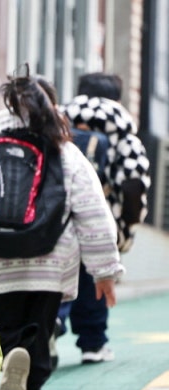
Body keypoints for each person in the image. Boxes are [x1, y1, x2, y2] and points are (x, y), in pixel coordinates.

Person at [0, 73, 123, 390]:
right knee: (40, 331)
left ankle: (10, 354)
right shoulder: (65, 151)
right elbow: (92, 211)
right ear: (52, 105)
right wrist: (104, 269)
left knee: (1, 327)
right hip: (51, 261)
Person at [56, 73, 151, 364]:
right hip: (100, 222)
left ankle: (51, 324)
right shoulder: (122, 131)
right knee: (97, 278)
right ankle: (93, 344)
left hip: (56, 220)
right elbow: (135, 183)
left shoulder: (59, 123)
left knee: (58, 278)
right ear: (116, 97)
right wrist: (126, 228)